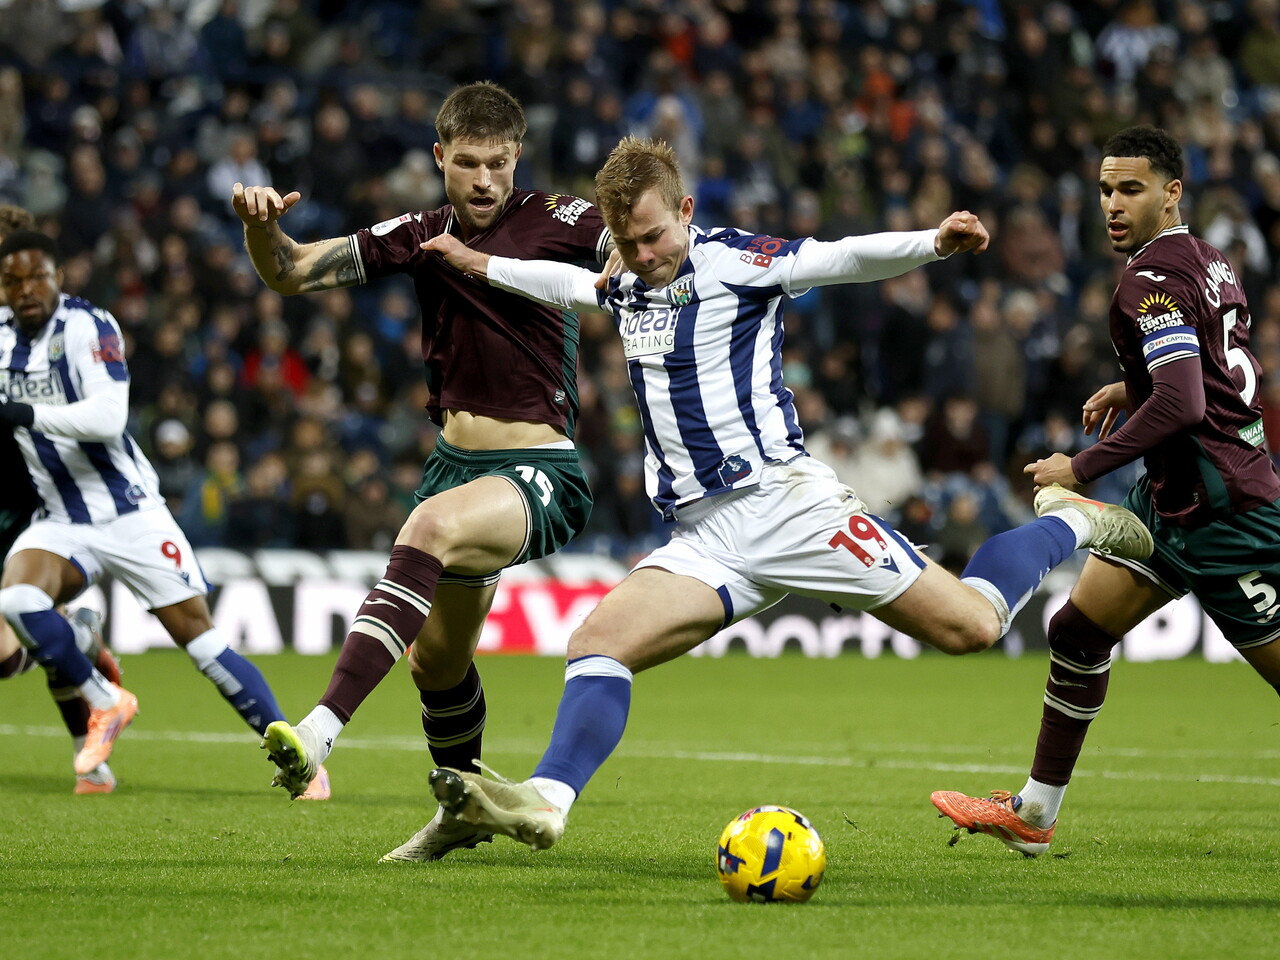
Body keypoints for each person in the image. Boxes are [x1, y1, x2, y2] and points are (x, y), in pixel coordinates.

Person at [412, 136, 1153, 852]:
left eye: (653, 236)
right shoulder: (627, 277)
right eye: (626, 242)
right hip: (704, 537)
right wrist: (477, 261)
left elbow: (840, 258)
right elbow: (567, 284)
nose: (643, 256)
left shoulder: (736, 260)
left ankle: (1072, 523)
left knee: (972, 626)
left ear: (686, 210)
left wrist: (932, 241)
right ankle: (547, 802)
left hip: (787, 507)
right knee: (598, 645)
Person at [232, 81, 611, 861]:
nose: (482, 180)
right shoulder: (418, 232)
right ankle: (463, 803)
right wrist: (260, 231)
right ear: (439, 158)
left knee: (428, 529)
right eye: (466, 162)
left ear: (518, 161)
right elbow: (293, 272)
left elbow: (638, 254)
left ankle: (320, 728)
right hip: (458, 466)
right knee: (436, 660)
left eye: (497, 164)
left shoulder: (563, 219)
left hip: (540, 468)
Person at [931, 125, 1280, 856]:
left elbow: (1185, 402)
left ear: (1171, 192)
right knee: (1078, 632)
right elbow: (1213, 373)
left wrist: (1080, 468)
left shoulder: (1146, 278)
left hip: (1225, 518)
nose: (1112, 205)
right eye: (1105, 190)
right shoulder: (1212, 261)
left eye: (1131, 190)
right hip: (1171, 501)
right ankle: (1033, 813)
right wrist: (1137, 384)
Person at [0, 229, 328, 798]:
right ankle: (106, 701)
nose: (26, 289)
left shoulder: (90, 325)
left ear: (58, 276)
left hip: (131, 513)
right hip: (60, 517)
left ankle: (302, 765)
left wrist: (22, 413)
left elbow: (107, 418)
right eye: (12, 280)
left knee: (199, 641)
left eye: (37, 276)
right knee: (17, 600)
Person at [0, 204, 124, 794]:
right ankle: (76, 638)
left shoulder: (58, 329)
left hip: (29, 502)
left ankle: (89, 758)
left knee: (11, 646)